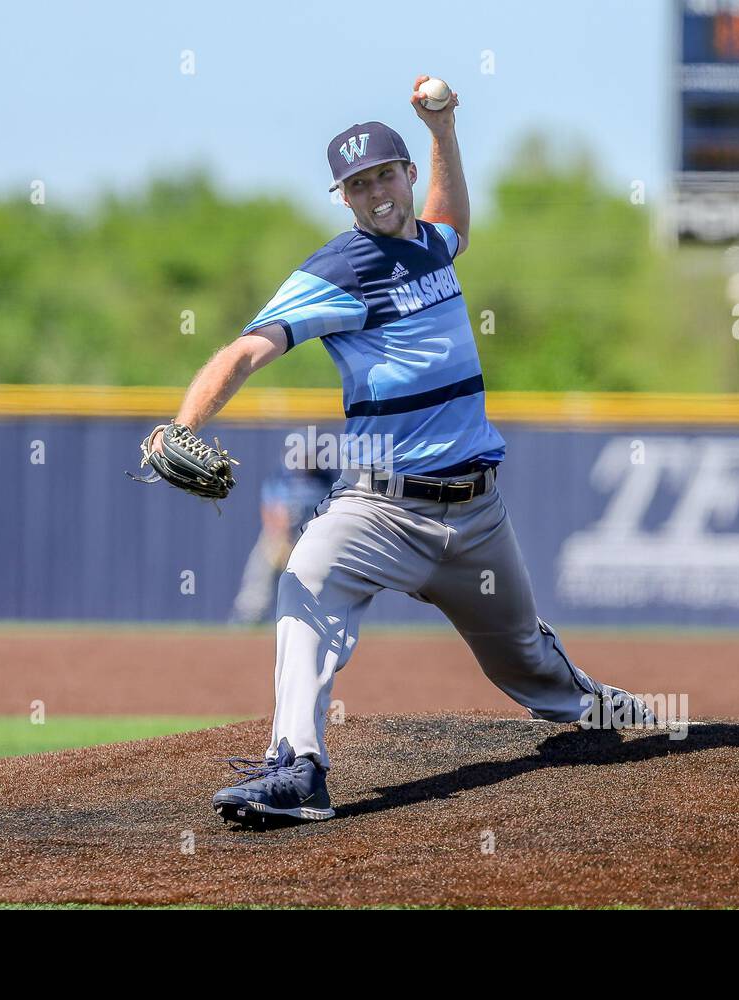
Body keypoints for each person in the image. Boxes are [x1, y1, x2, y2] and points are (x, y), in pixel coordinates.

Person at [150, 76, 657, 826]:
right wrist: (180, 422)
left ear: (406, 175)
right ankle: (299, 768)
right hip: (380, 508)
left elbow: (452, 221)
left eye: (386, 174)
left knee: (527, 663)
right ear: (343, 198)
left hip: (476, 516)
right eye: (358, 184)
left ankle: (613, 710)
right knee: (307, 576)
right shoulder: (337, 270)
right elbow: (248, 350)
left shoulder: (432, 245)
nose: (376, 192)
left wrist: (443, 128)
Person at [229, 455, 334, 625]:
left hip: (307, 536)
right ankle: (247, 619)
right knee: (259, 577)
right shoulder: (281, 477)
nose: (306, 461)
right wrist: (279, 535)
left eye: (309, 456)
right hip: (277, 535)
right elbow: (270, 507)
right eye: (301, 456)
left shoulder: (325, 480)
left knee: (311, 580)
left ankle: (314, 621)